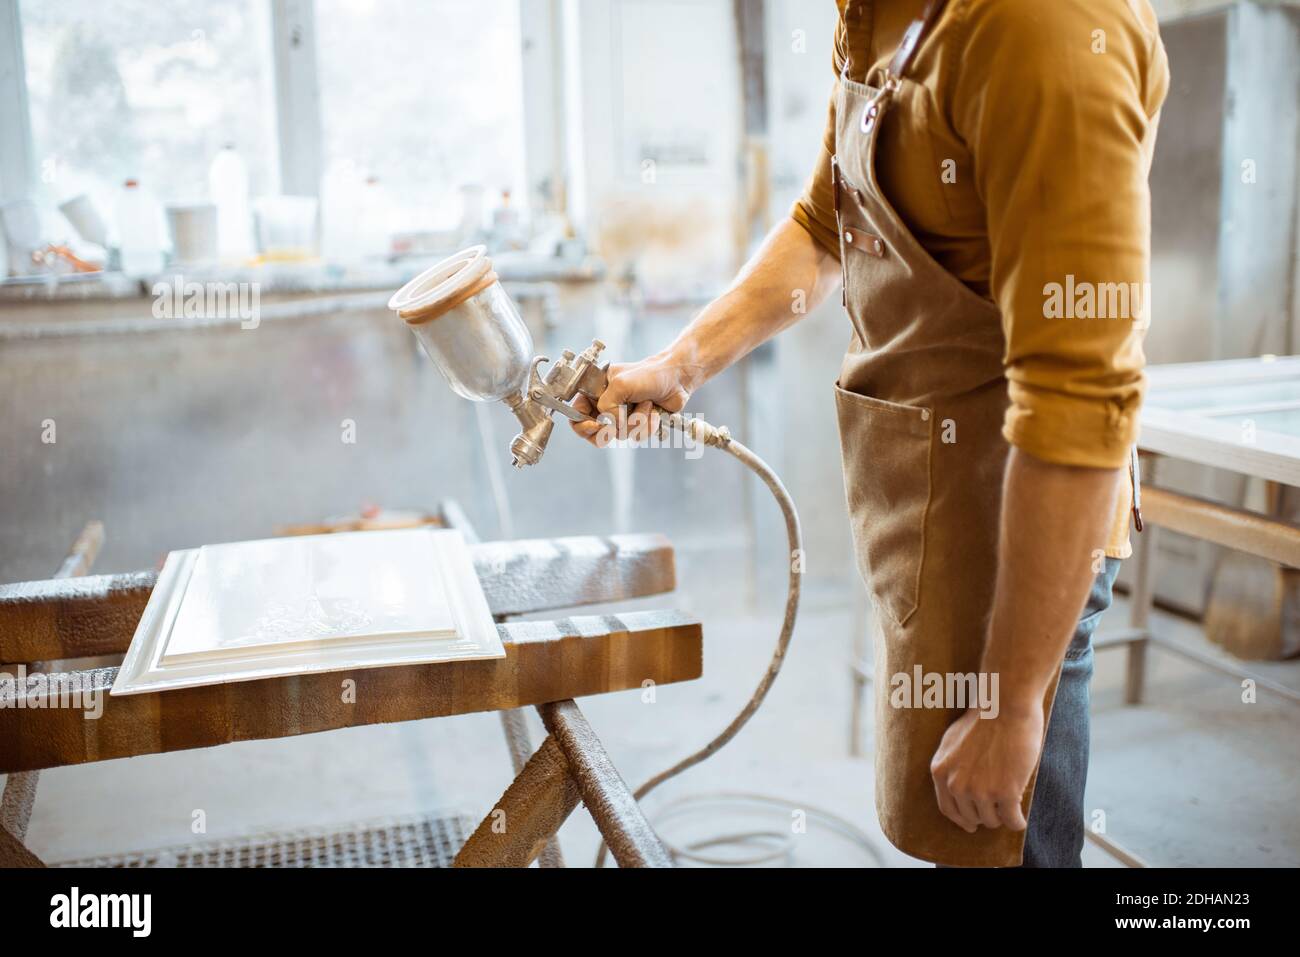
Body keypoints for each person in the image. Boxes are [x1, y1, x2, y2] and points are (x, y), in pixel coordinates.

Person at [573, 0, 1170, 867]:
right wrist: (681, 364)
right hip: (929, 521)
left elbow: (1080, 406)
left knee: (1004, 844)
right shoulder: (874, 13)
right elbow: (825, 223)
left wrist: (1008, 704)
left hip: (1021, 542)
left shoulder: (1041, 30)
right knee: (949, 831)